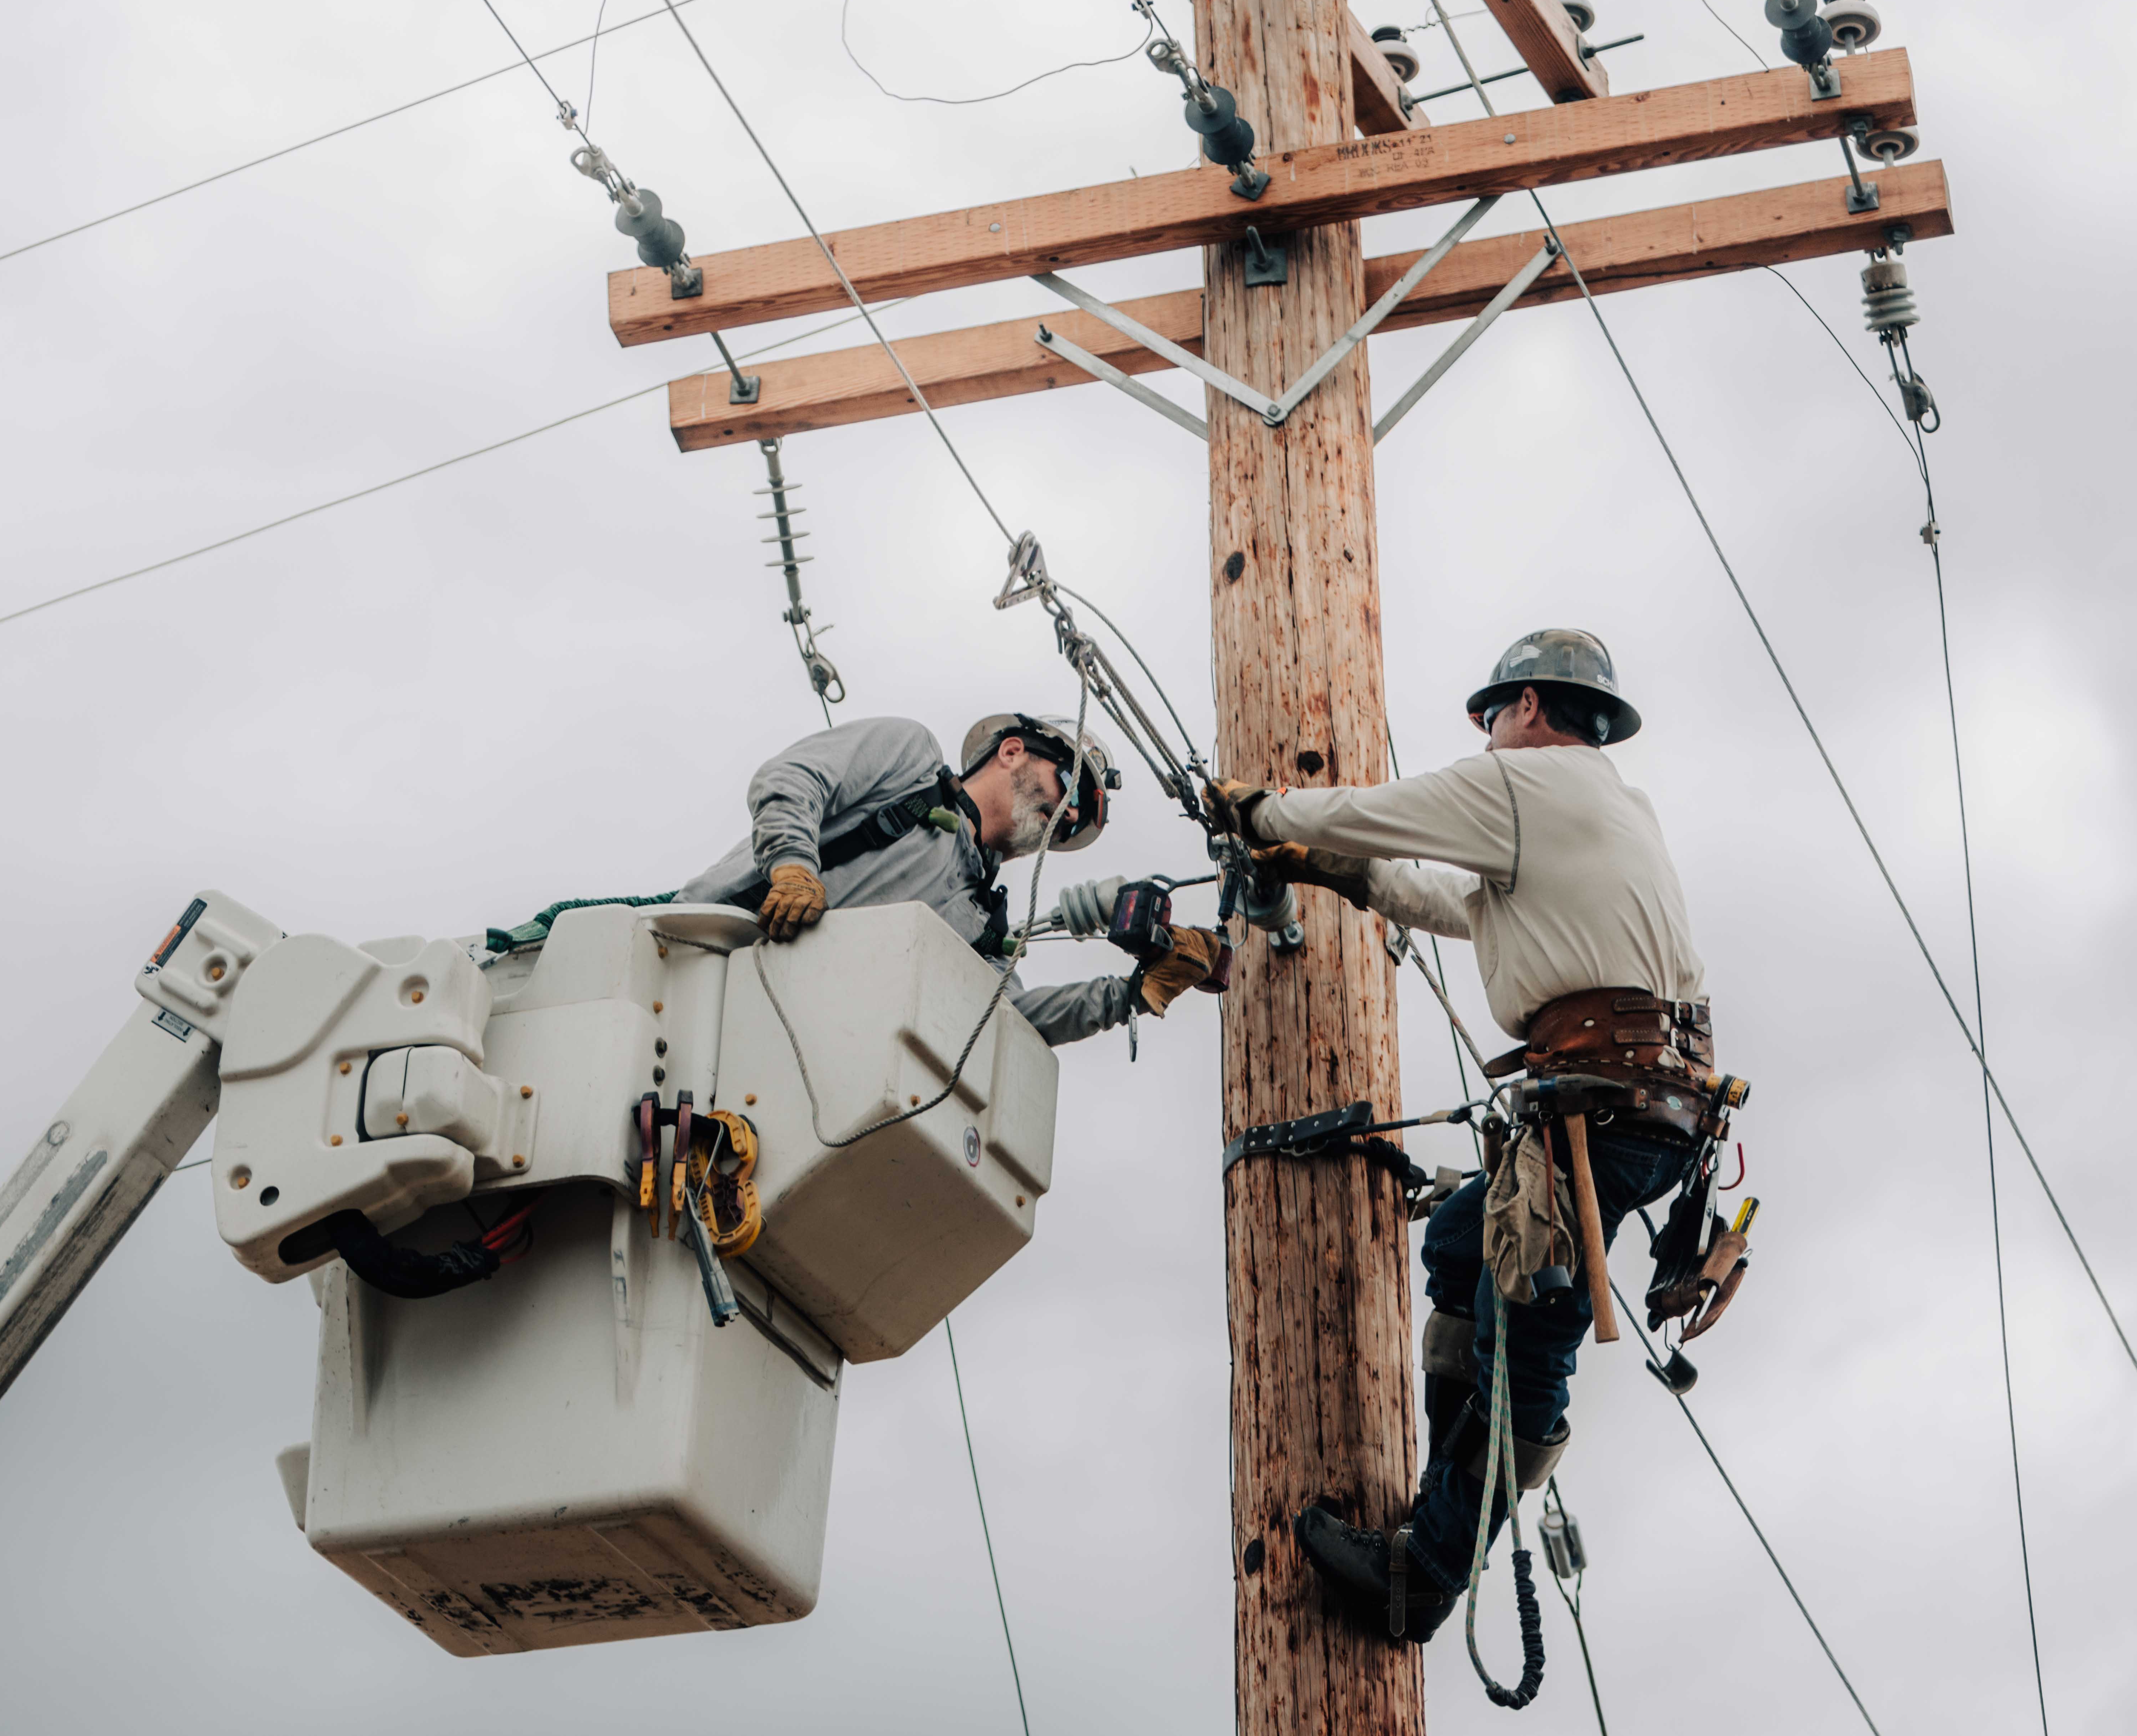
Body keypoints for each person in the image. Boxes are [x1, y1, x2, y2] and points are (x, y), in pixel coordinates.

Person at [1205, 630, 1712, 1641]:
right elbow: (1459, 903)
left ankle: (1425, 1572)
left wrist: (1262, 814)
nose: (1483, 737)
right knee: (1459, 1243)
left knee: (1525, 1330)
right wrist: (1343, 874)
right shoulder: (1599, 808)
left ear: (1527, 707)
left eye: (1489, 718)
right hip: (1635, 1103)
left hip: (1609, 1106)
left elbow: (1381, 811)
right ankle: (1447, 1494)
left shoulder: (1531, 784)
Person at [678, 713, 1230, 1044]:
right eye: (1070, 787)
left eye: (1079, 823)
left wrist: (1131, 994)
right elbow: (792, 779)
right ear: (1011, 751)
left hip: (762, 1039)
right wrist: (793, 866)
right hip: (690, 962)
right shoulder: (910, 761)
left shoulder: (982, 921)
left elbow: (1006, 1025)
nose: (1068, 816)